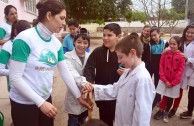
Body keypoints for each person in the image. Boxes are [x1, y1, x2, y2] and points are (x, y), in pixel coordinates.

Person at [8, 1, 91, 126]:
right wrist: (40, 102)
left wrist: (78, 96)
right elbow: (15, 78)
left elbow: (65, 72)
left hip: (46, 99)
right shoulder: (24, 39)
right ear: (49, 15)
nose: (64, 23)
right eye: (62, 18)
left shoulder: (56, 43)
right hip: (24, 103)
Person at [82, 35, 156, 126]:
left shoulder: (142, 79)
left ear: (132, 53)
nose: (118, 61)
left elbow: (142, 115)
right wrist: (93, 88)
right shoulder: (127, 72)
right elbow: (115, 90)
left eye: (121, 57)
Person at [83, 23, 122, 126]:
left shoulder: (124, 53)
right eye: (104, 35)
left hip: (120, 96)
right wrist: (89, 84)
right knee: (105, 122)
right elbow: (89, 68)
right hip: (103, 95)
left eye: (109, 35)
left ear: (119, 37)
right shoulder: (98, 52)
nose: (105, 38)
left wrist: (126, 72)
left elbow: (135, 68)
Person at [153, 36, 185, 123]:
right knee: (164, 95)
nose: (172, 46)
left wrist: (173, 82)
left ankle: (166, 112)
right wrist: (165, 80)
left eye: (174, 44)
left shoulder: (182, 56)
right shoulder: (165, 53)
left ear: (179, 44)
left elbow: (180, 71)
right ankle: (161, 110)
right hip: (164, 80)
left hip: (174, 82)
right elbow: (161, 66)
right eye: (170, 44)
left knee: (170, 97)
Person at [64, 28, 91, 126]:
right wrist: (85, 83)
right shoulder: (67, 56)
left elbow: (93, 73)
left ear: (88, 44)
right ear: (74, 42)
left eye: (85, 43)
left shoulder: (90, 56)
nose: (82, 45)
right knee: (73, 122)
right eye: (79, 42)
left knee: (84, 120)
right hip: (73, 95)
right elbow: (72, 74)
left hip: (86, 95)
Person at [0, 20, 31, 91]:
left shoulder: (31, 43)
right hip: (16, 87)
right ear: (15, 32)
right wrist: (16, 71)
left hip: (31, 84)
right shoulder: (7, 46)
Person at [178, 24, 194, 125]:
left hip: (193, 70)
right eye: (188, 32)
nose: (190, 34)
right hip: (183, 70)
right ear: (185, 32)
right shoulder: (181, 42)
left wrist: (188, 59)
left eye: (192, 33)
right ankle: (189, 112)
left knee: (193, 94)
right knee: (189, 95)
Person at [150, 27, 166, 109]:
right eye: (152, 35)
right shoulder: (149, 43)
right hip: (150, 65)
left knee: (158, 82)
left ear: (159, 33)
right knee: (148, 81)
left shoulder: (164, 43)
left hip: (159, 66)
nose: (153, 37)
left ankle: (158, 99)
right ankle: (148, 97)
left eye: (155, 35)